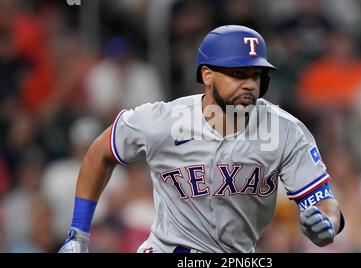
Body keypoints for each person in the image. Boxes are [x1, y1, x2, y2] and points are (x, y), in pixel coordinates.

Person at [58, 25, 345, 253]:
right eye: (237, 73)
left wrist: (327, 224)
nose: (249, 83)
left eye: (256, 74)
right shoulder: (163, 121)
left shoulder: (285, 130)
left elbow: (323, 202)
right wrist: (78, 233)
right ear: (207, 75)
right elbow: (101, 152)